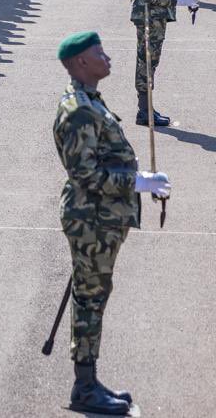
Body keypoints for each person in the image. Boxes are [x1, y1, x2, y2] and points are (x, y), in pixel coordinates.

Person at [52, 31, 170, 415]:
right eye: (98, 53)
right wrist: (136, 182)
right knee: (89, 300)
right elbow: (84, 174)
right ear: (81, 63)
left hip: (100, 218)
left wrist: (139, 175)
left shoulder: (89, 101)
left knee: (95, 296)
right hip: (91, 220)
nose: (107, 58)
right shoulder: (78, 111)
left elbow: (104, 158)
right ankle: (84, 388)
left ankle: (89, 382)